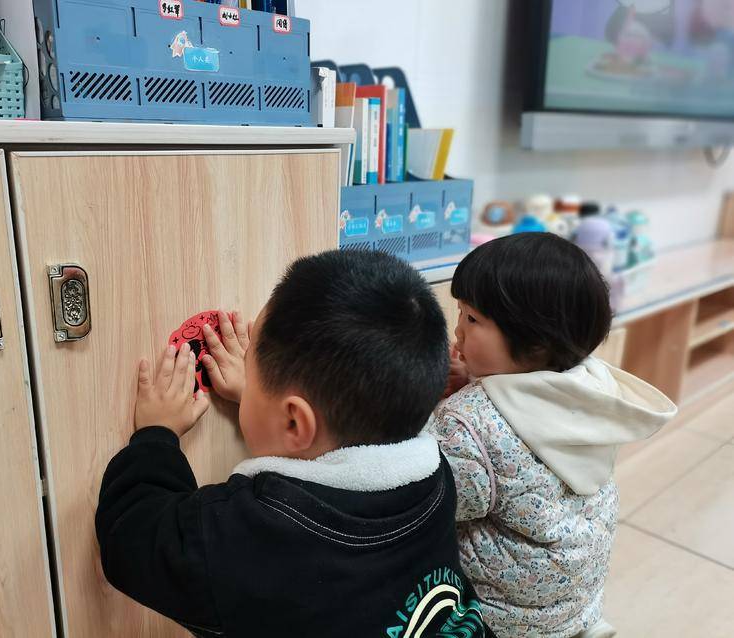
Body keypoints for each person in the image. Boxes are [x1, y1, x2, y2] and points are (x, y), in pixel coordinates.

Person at [96, 250, 493, 638]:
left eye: (250, 368)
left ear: (294, 421)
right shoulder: (435, 478)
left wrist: (156, 434)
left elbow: (129, 535)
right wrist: (267, 404)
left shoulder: (248, 540)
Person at [429, 233, 676, 637]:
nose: (457, 331)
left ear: (536, 344)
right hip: (574, 601)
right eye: (460, 312)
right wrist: (474, 378)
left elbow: (439, 503)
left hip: (502, 618)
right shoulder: (593, 385)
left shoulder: (466, 421)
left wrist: (436, 408)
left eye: (472, 319)